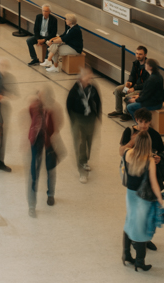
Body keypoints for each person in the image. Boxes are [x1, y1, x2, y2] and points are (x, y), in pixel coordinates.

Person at [121, 131, 164, 272]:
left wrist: (130, 141)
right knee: (140, 228)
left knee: (130, 222)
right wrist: (160, 199)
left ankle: (127, 254)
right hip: (143, 198)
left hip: (130, 194)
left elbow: (122, 150)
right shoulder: (149, 160)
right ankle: (140, 262)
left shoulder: (127, 153)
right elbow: (153, 183)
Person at [25, 88, 60, 217]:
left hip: (49, 141)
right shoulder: (34, 107)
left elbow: (56, 125)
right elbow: (29, 118)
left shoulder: (52, 110)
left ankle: (51, 194)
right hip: (36, 142)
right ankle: (32, 206)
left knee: (51, 169)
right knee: (34, 173)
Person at [66, 66, 101, 183]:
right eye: (87, 77)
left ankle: (85, 160)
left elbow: (98, 101)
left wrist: (98, 116)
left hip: (90, 118)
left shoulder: (92, 88)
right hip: (78, 118)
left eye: (90, 77)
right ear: (81, 77)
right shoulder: (74, 90)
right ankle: (82, 171)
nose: (89, 79)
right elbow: (68, 104)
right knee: (80, 144)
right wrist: (73, 120)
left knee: (88, 141)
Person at [111, 45, 148, 118]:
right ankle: (118, 111)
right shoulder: (135, 63)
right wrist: (129, 82)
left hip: (141, 89)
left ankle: (127, 113)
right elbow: (132, 75)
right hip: (134, 86)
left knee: (128, 96)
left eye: (140, 54)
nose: (138, 56)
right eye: (136, 53)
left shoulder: (148, 66)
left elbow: (147, 84)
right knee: (118, 90)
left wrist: (134, 88)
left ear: (145, 55)